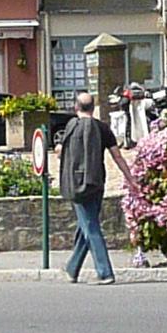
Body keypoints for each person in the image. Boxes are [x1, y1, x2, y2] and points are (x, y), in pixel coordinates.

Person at [55, 92, 113, 281]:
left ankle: (105, 272)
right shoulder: (102, 128)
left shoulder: (71, 127)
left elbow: (64, 152)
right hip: (97, 183)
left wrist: (58, 150)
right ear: (94, 107)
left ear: (76, 107)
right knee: (85, 225)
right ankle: (72, 268)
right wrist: (130, 179)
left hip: (77, 185)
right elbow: (117, 156)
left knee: (91, 227)